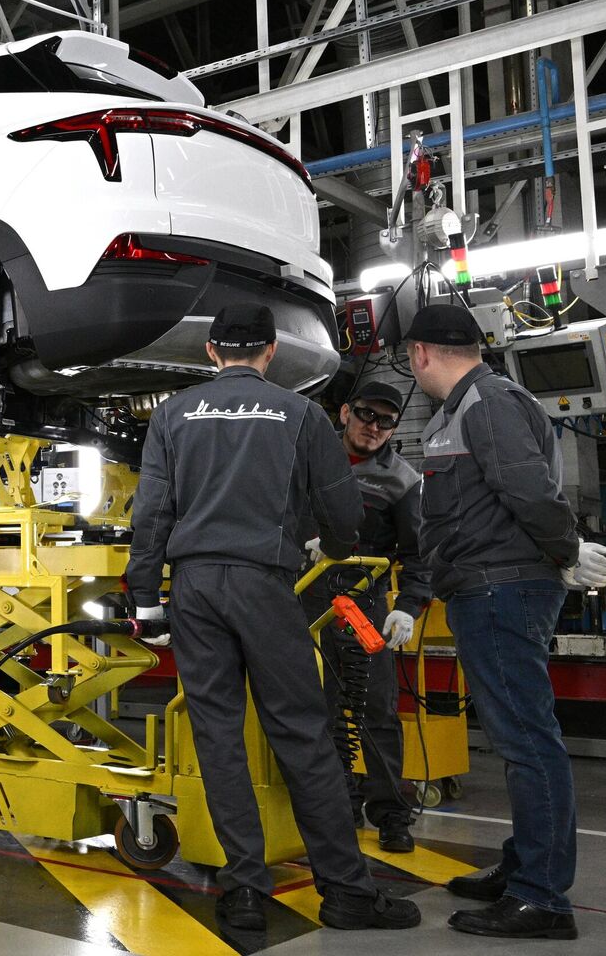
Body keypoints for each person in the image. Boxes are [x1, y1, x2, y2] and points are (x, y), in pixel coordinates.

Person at [126, 303, 420, 933]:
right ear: (269, 353)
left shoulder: (173, 415)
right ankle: (345, 891)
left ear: (211, 352)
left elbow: (149, 512)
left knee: (219, 738)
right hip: (266, 586)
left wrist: (147, 601)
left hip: (196, 590)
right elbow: (342, 508)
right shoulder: (303, 414)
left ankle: (243, 892)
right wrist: (335, 549)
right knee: (302, 734)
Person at [405, 303, 606, 940]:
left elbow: (525, 488)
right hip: (490, 587)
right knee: (520, 738)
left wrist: (565, 549)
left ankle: (541, 897)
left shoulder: (487, 403)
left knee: (527, 741)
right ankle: (527, 864)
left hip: (500, 590)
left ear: (419, 354)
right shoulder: (472, 404)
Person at [303, 380, 432, 853]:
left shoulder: (402, 480)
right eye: (365, 415)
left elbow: (419, 554)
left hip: (365, 607)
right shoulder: (308, 463)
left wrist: (406, 607)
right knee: (318, 709)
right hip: (306, 601)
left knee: (377, 710)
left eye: (385, 421)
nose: (373, 427)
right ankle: (335, 805)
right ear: (344, 414)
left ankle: (391, 814)